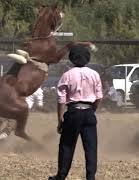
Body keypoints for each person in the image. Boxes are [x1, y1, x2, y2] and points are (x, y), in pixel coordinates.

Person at [49, 45, 103, 180]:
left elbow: (61, 100)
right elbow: (99, 97)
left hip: (73, 112)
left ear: (71, 58)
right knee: (91, 147)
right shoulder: (94, 74)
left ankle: (61, 176)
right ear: (88, 58)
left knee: (67, 145)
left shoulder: (67, 75)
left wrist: (60, 119)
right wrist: (92, 110)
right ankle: (91, 177)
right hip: (89, 112)